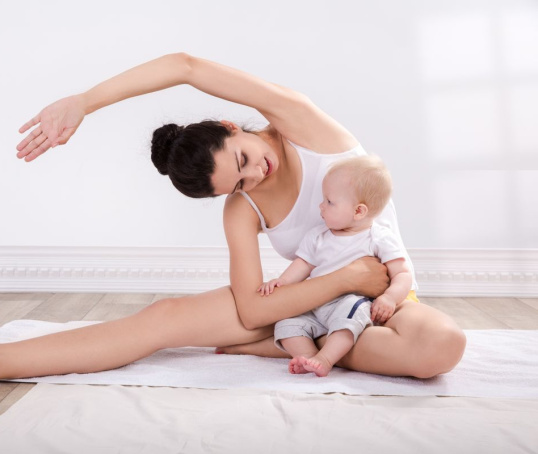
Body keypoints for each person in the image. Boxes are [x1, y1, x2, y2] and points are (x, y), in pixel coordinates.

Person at [3, 53, 466, 380]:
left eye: (243, 158)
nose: (256, 174)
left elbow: (185, 66)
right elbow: (252, 307)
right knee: (164, 316)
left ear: (230, 127)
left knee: (441, 345)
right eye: (240, 182)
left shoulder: (301, 124)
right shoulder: (241, 207)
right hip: (315, 297)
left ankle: (285, 344)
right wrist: (347, 278)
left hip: (377, 300)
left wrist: (84, 102)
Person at [258, 155, 412, 377]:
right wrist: (281, 282)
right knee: (286, 324)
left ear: (359, 211)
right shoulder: (318, 236)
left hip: (349, 301)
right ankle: (308, 357)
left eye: (329, 202)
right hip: (315, 301)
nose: (321, 206)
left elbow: (402, 274)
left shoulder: (377, 238)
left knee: (348, 320)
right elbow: (302, 265)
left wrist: (389, 298)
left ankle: (326, 358)